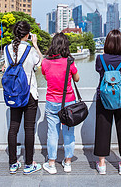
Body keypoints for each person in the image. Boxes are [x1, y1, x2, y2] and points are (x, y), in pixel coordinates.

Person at [4, 21, 44, 174]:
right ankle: (29, 164)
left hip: (13, 93)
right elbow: (40, 64)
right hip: (29, 94)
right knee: (29, 129)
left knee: (13, 128)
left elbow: (6, 66)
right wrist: (35, 45)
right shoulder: (30, 50)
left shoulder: (7, 48)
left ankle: (13, 163)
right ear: (28, 34)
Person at [94, 30, 121, 175]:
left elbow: (99, 71)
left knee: (103, 129)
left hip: (104, 97)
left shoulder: (100, 59)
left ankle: (102, 164)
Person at [41, 33, 80, 174]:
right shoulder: (69, 61)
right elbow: (77, 79)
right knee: (69, 132)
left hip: (52, 101)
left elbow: (46, 77)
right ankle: (68, 162)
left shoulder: (45, 62)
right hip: (69, 101)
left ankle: (51, 164)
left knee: (52, 133)